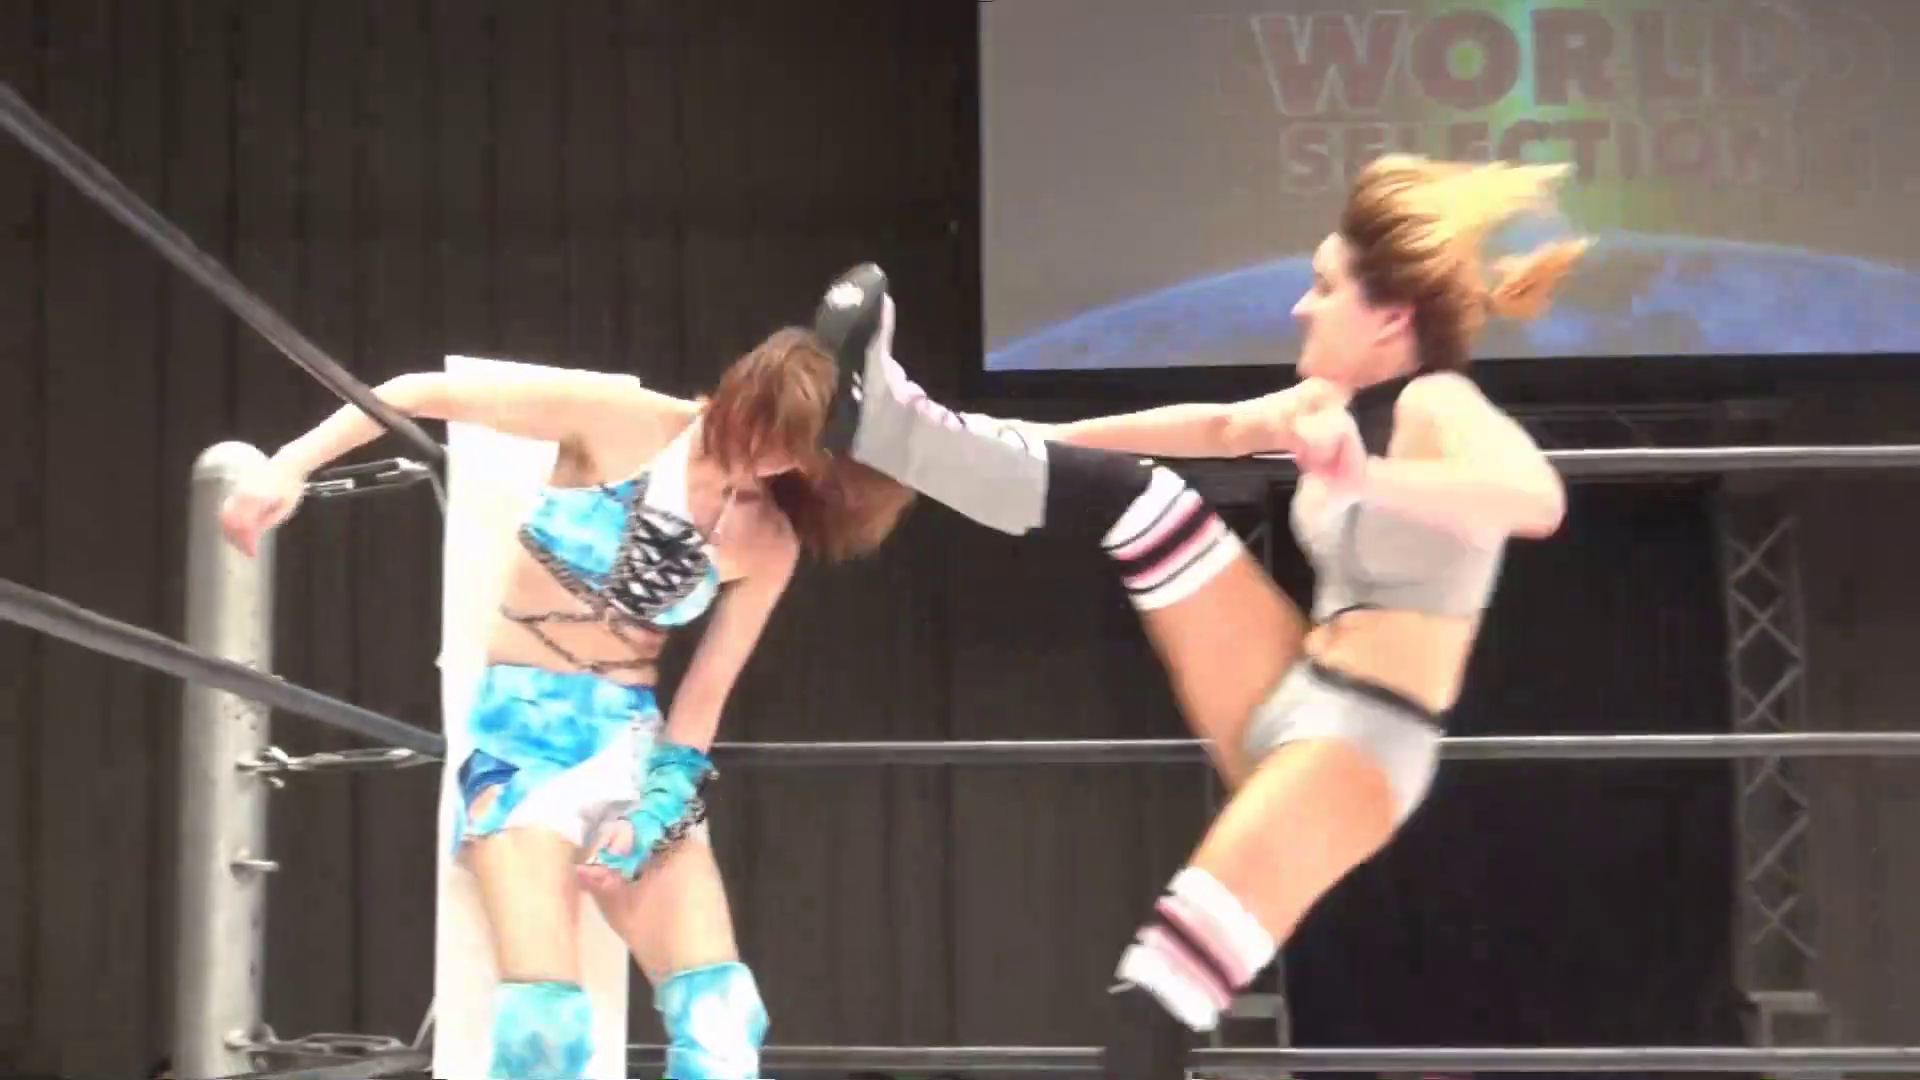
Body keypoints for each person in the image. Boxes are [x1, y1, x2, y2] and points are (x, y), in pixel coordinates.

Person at [812, 154, 1587, 1076]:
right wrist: (1009, 441)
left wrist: (1366, 476)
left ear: (1390, 319)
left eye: (1323, 287)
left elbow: (1537, 500)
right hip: (1286, 680)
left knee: (1159, 996)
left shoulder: (1439, 403)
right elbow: (1210, 429)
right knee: (1136, 496)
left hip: (1363, 746)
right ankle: (896, 428)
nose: (1299, 307)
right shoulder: (1325, 402)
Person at [219, 327, 915, 1079]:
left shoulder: (769, 538)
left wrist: (654, 812)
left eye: (790, 452)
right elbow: (415, 392)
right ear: (741, 393)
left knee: (721, 1024)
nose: (763, 457)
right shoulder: (619, 419)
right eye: (761, 430)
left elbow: (706, 692)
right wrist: (289, 466)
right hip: (520, 736)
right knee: (542, 1032)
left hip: (632, 743)